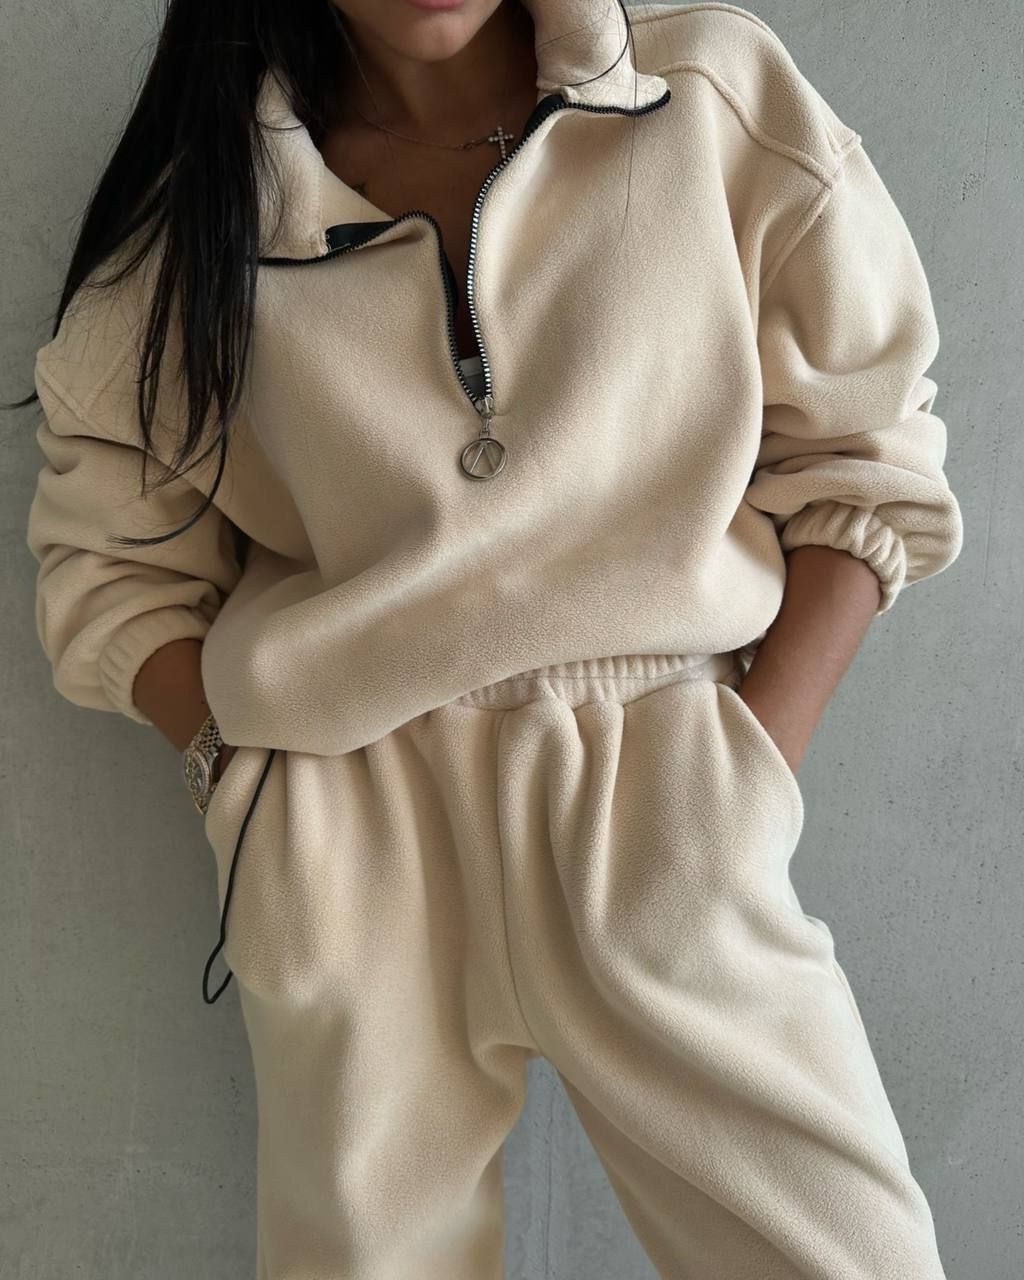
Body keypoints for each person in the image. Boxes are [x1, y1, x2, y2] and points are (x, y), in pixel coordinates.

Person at [16, 0, 963, 1275]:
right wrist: (249, 794)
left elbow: (866, 447)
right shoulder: (218, 208)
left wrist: (744, 772)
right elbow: (108, 559)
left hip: (661, 804)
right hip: (360, 834)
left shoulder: (705, 95)